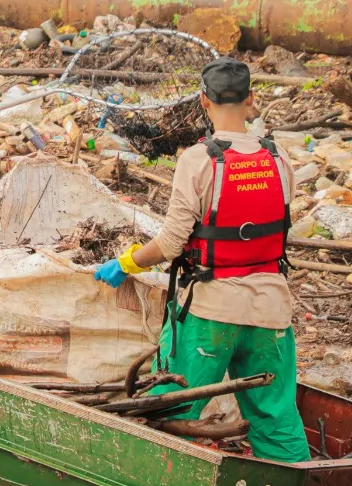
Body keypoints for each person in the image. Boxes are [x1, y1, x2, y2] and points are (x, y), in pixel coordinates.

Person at [94, 58, 310, 463]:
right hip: (271, 312)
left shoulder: (200, 160)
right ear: (251, 100)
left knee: (173, 407)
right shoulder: (279, 159)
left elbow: (172, 244)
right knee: (277, 417)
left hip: (211, 312)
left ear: (203, 101)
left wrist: (126, 263)